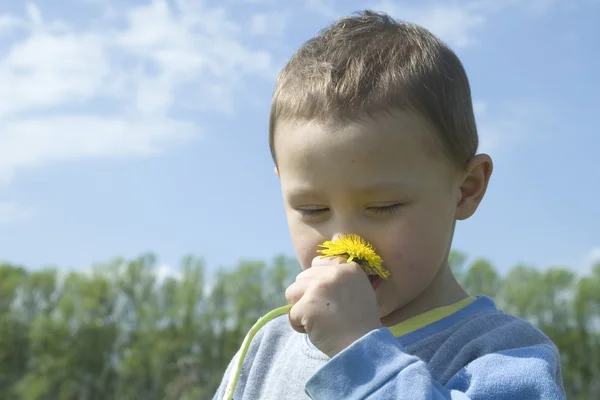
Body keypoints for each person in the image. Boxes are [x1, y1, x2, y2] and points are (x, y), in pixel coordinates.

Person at [213, 10, 565, 399]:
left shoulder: (503, 354)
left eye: (383, 206)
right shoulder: (267, 347)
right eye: (312, 210)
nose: (343, 242)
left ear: (466, 188)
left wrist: (357, 351)